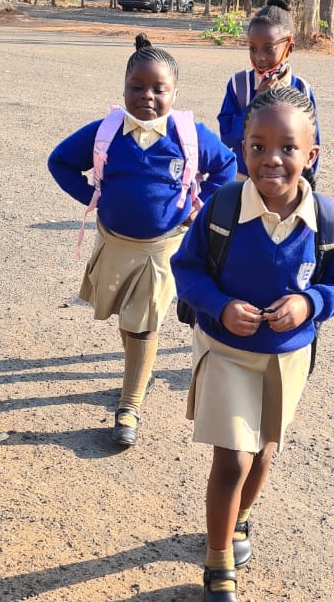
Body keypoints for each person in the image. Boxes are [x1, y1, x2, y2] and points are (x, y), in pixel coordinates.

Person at [171, 86, 334, 602]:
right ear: (242, 149)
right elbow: (188, 272)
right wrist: (221, 305)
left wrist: (310, 302)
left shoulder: (325, 218)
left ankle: (240, 518)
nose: (270, 159)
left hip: (287, 358)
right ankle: (217, 559)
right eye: (257, 146)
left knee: (265, 454)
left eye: (287, 148)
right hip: (227, 351)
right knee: (233, 456)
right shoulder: (224, 209)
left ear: (311, 154)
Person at [47, 33, 236, 447]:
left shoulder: (189, 135)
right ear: (124, 88)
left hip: (161, 250)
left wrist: (196, 208)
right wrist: (96, 197)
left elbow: (226, 164)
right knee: (126, 318)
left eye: (158, 89)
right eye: (137, 87)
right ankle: (139, 374)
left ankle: (129, 406)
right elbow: (59, 161)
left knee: (144, 323)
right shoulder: (107, 132)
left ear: (175, 93)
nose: (146, 96)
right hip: (114, 243)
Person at [217, 0, 321, 181]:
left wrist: (304, 182)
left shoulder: (301, 89)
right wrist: (256, 102)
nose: (260, 57)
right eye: (253, 49)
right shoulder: (239, 84)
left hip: (286, 182)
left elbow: (312, 142)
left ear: (289, 48)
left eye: (269, 49)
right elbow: (228, 137)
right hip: (243, 180)